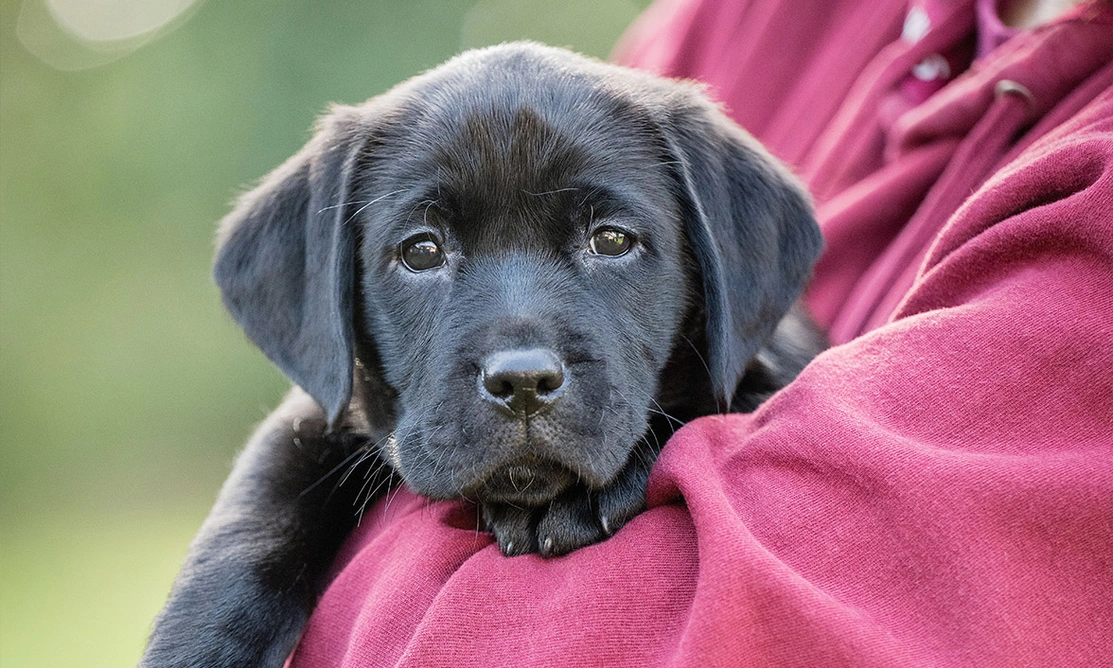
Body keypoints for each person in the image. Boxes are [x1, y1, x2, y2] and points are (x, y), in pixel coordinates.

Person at [288, 0, 1113, 665]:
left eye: (611, 240)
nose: (521, 362)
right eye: (422, 249)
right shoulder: (749, 16)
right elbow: (326, 417)